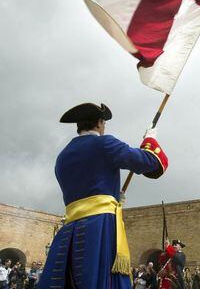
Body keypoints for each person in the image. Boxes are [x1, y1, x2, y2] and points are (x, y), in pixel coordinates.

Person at [39, 103, 168, 288]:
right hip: (99, 225)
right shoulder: (104, 143)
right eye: (104, 123)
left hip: (70, 229)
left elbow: (86, 186)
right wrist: (150, 141)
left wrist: (112, 195)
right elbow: (148, 162)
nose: (104, 127)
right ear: (99, 123)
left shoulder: (62, 156)